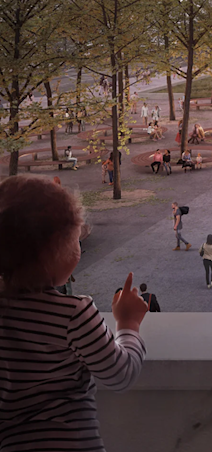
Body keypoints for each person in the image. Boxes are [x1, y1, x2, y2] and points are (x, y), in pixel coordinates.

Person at [0, 176, 147, 450]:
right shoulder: (73, 314)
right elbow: (120, 374)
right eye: (75, 240)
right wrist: (128, 323)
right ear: (57, 251)